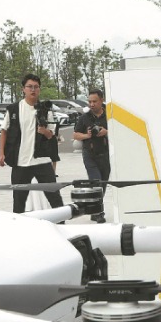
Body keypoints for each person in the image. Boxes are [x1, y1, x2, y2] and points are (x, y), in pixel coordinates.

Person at [0, 74, 64, 213]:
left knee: (55, 198)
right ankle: (18, 224)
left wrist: (44, 131)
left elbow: (51, 135)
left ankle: (61, 222)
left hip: (42, 160)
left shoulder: (45, 109)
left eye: (36, 87)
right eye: (30, 87)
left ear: (39, 89)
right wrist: (1, 154)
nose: (33, 90)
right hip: (21, 162)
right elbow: (4, 131)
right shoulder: (14, 109)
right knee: (19, 200)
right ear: (23, 89)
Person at [73, 89, 111, 223]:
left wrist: (107, 132)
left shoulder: (110, 115)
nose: (92, 104)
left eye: (95, 101)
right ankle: (98, 212)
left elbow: (119, 131)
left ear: (101, 100)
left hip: (106, 155)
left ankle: (95, 209)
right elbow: (75, 134)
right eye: (89, 102)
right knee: (96, 182)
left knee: (103, 184)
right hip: (90, 155)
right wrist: (87, 135)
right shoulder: (85, 117)